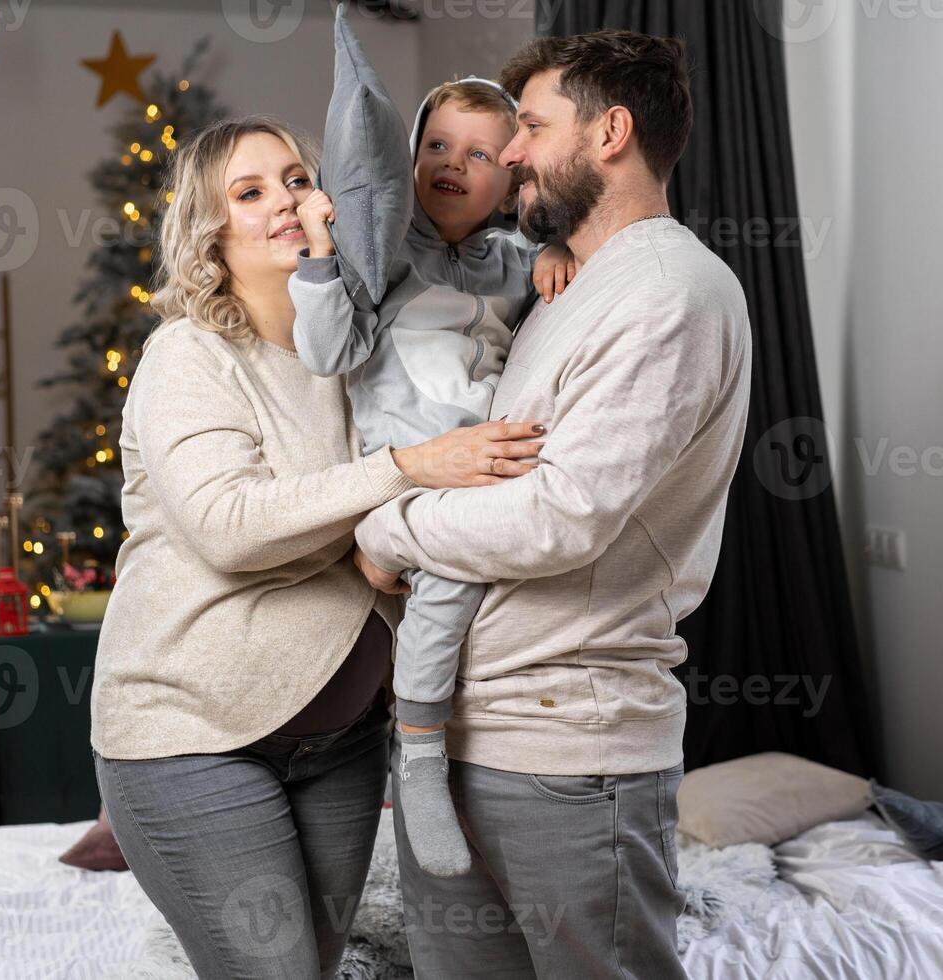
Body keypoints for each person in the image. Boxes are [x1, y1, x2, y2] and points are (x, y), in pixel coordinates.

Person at [88, 114, 545, 980]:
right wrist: (405, 469)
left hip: (340, 745)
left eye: (297, 179)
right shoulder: (188, 358)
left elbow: (397, 526)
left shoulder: (358, 349)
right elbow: (232, 526)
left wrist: (549, 257)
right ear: (210, 231)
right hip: (192, 741)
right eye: (250, 192)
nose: (285, 202)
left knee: (315, 967)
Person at [351, 30, 754, 978]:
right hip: (462, 735)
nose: (513, 151)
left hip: (571, 749)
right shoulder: (566, 289)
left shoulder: (667, 292)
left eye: (531, 125)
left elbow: (558, 517)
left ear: (611, 132)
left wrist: (384, 521)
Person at [289, 3, 573, 879]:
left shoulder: (507, 261)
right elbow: (327, 350)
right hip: (405, 479)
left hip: (482, 470)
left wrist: (562, 249)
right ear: (411, 160)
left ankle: (448, 749)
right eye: (437, 148)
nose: (453, 165)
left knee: (510, 584)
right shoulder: (385, 257)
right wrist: (324, 258)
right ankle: (418, 756)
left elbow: (553, 298)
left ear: (510, 176)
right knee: (444, 582)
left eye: (480, 154)